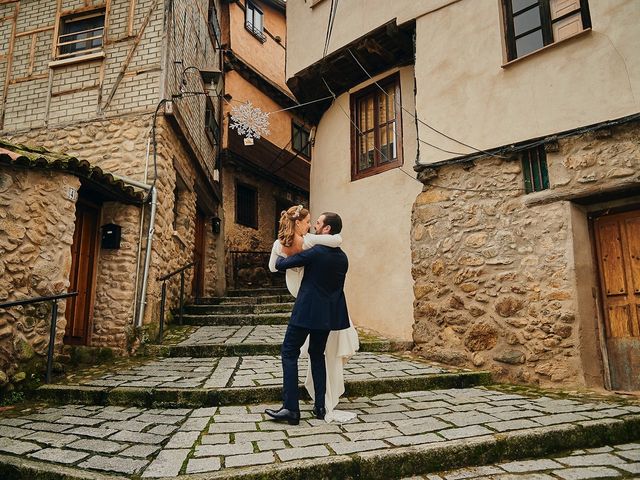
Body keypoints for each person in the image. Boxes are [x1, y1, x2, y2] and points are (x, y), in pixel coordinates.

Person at [265, 210, 357, 425]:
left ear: (326, 229)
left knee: (289, 352)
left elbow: (279, 265)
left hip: (306, 312)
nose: (314, 226)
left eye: (317, 223)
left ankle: (290, 409)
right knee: (317, 354)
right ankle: (319, 407)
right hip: (327, 316)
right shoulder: (342, 257)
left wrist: (278, 248)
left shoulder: (315, 252)